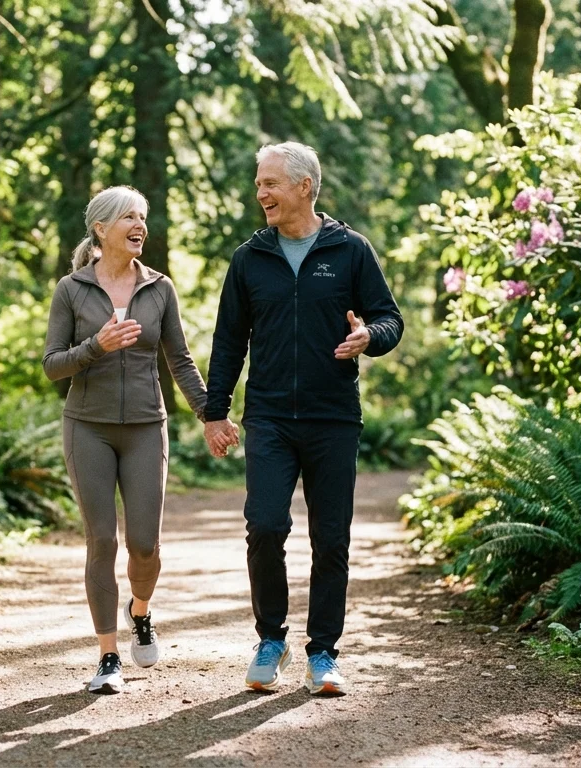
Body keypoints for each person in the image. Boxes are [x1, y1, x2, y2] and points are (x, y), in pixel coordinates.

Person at [203, 142, 403, 696]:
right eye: (259, 183)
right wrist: (214, 411)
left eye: (270, 183)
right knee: (265, 526)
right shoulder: (249, 259)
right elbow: (228, 341)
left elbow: (389, 318)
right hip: (268, 416)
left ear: (304, 187)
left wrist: (371, 337)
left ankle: (323, 652)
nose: (260, 192)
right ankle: (271, 639)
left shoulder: (350, 251)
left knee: (330, 538)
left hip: (333, 417)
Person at [43, 185, 209, 694]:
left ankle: (140, 611)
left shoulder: (160, 288)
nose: (140, 226)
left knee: (144, 544)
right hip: (87, 426)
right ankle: (108, 656)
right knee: (101, 540)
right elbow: (52, 366)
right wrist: (95, 346)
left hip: (144, 426)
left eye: (143, 217)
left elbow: (179, 359)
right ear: (101, 229)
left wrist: (210, 413)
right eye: (129, 218)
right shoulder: (72, 289)